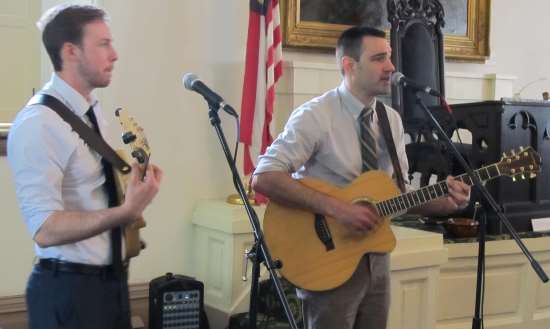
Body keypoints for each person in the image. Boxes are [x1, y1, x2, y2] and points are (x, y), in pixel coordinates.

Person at [251, 26, 470, 329]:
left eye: (390, 57)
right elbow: (264, 177)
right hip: (326, 257)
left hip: (376, 257)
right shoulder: (316, 115)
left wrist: (445, 202)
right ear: (349, 66)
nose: (392, 67)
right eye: (380, 58)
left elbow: (398, 197)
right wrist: (339, 209)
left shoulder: (390, 119)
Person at [7, 4, 162, 329]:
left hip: (110, 285)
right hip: (69, 292)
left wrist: (135, 188)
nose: (115, 54)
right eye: (103, 44)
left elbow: (94, 189)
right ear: (71, 51)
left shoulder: (90, 111)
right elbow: (45, 229)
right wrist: (126, 212)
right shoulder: (38, 123)